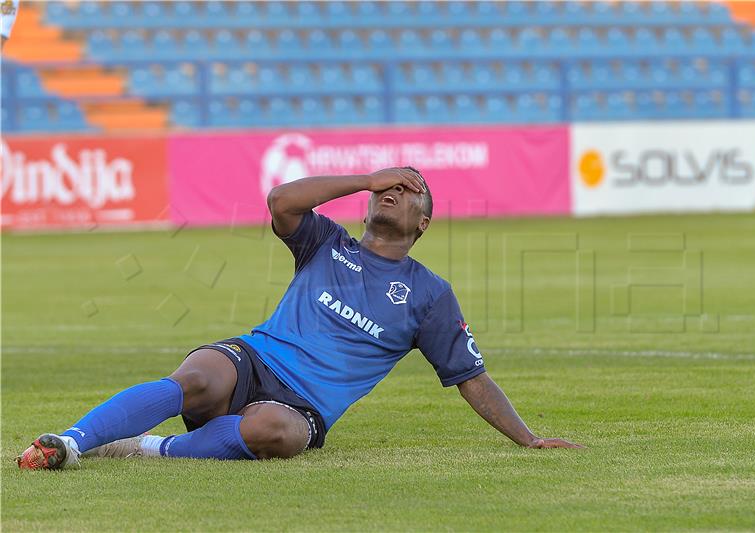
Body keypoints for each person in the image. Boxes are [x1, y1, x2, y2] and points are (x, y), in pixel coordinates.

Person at [17, 167, 582, 470]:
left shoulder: (429, 295)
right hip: (253, 360)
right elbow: (282, 200)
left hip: (300, 405)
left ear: (424, 222)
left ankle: (142, 448)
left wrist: (527, 440)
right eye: (387, 187)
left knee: (276, 434)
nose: (392, 193)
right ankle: (70, 442)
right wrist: (366, 176)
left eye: (409, 191)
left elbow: (470, 377)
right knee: (196, 378)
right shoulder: (325, 243)